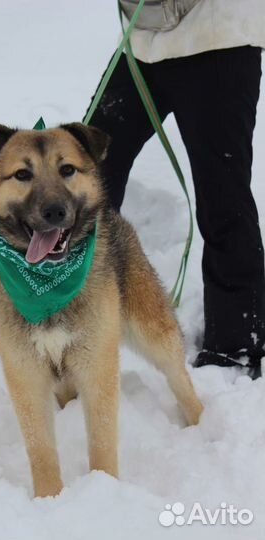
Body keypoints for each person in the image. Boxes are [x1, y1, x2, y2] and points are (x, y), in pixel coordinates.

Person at [87, 0, 265, 378]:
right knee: (86, 173)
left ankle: (235, 347)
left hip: (217, 37)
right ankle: (76, 319)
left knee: (223, 198)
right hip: (143, 39)